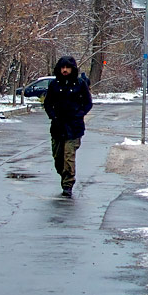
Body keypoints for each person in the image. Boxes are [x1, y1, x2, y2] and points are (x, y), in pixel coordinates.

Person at [42, 55, 92, 198]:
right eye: (63, 68)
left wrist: (79, 114)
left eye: (67, 68)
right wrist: (53, 116)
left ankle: (68, 184)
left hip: (74, 127)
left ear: (72, 69)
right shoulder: (54, 85)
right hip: (58, 126)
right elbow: (47, 103)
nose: (65, 70)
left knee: (68, 157)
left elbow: (88, 103)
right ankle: (64, 176)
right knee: (58, 158)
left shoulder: (79, 84)